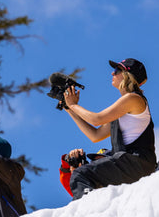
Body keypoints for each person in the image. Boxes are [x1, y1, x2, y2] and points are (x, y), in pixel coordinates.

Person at [63, 57, 156, 199]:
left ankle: (89, 209)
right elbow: (95, 135)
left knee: (81, 174)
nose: (112, 73)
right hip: (133, 163)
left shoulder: (133, 99)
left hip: (137, 163)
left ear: (127, 76)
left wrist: (74, 105)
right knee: (83, 174)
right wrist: (70, 110)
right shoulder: (124, 108)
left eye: (117, 70)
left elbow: (96, 119)